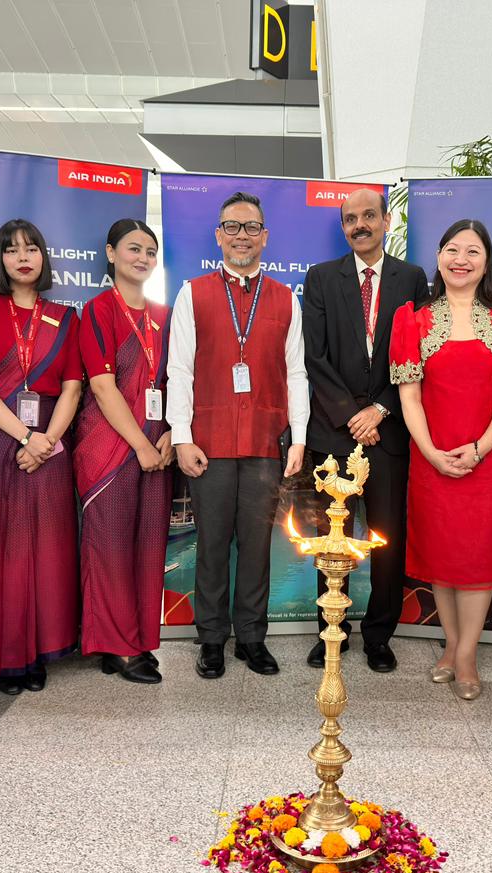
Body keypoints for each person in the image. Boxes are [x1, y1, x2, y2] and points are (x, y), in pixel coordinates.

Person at [167, 191, 308, 680]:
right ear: (218, 235)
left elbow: (296, 373)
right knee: (211, 545)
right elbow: (179, 370)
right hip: (208, 442)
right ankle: (211, 639)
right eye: (232, 226)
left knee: (257, 545)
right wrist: (181, 436)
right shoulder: (193, 293)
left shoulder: (286, 298)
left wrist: (300, 438)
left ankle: (251, 637)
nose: (241, 236)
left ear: (264, 237)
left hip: (266, 443)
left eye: (250, 227)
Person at [388, 219, 492, 700]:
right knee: (442, 557)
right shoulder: (412, 319)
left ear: (486, 262)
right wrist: (431, 453)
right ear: (439, 257)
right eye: (452, 249)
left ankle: (466, 654)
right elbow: (409, 397)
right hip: (433, 457)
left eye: (472, 251)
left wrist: (481, 447)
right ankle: (451, 645)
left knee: (478, 558)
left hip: (489, 458)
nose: (460, 259)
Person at [302, 188, 430, 674]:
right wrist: (352, 415)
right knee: (330, 539)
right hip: (334, 434)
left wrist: (379, 409)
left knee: (387, 540)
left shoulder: (411, 278)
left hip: (389, 431)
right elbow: (314, 356)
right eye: (350, 218)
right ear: (343, 227)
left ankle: (379, 636)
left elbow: (419, 355)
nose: (360, 225)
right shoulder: (321, 278)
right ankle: (328, 629)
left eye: (369, 216)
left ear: (386, 221)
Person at [0, 219, 82, 695]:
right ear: (0, 259)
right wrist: (25, 436)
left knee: (46, 549)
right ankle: (4, 656)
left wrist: (45, 441)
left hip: (50, 441)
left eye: (31, 249)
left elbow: (73, 388)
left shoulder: (65, 317)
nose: (22, 257)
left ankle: (40, 651)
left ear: (44, 257)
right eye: (11, 250)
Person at [75, 219, 172, 685]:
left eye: (150, 251)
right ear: (112, 253)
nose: (143, 258)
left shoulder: (165, 314)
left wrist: (171, 433)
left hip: (158, 448)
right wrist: (140, 444)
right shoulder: (98, 310)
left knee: (149, 548)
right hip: (110, 448)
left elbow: (178, 380)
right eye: (134, 249)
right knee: (110, 549)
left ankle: (139, 639)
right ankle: (115, 647)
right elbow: (101, 385)